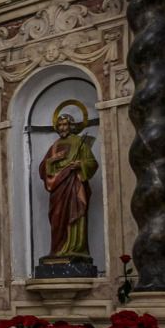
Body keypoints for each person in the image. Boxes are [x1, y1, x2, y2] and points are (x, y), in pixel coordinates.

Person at [38, 103, 98, 261]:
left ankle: (75, 248)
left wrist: (80, 165)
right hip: (58, 187)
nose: (63, 127)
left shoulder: (80, 143)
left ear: (71, 126)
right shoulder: (55, 146)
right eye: (60, 125)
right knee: (57, 217)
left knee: (74, 214)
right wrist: (52, 160)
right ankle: (57, 250)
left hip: (74, 184)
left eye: (65, 124)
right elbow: (43, 169)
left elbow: (92, 163)